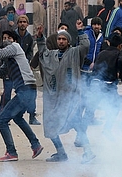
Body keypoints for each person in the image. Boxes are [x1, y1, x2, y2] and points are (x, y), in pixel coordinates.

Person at [36, 21, 95, 163]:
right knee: (50, 124)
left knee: (76, 123)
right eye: (59, 39)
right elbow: (42, 52)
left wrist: (81, 32)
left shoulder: (75, 53)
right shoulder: (52, 55)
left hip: (71, 96)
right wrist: (40, 38)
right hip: (53, 97)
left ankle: (88, 152)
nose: (61, 41)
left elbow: (86, 46)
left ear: (68, 41)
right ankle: (61, 153)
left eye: (64, 39)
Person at [0, 30, 44, 162]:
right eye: (4, 38)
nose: (6, 40)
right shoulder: (10, 58)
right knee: (18, 117)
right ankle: (35, 145)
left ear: (15, 40)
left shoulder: (15, 47)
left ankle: (11, 152)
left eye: (9, 38)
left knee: (1, 121)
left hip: (25, 90)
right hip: (28, 90)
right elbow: (3, 73)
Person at [89, 33, 122, 136]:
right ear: (120, 46)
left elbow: (96, 68)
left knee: (91, 108)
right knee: (115, 107)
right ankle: (107, 130)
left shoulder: (102, 53)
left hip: (95, 83)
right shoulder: (119, 55)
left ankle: (80, 135)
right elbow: (121, 63)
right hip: (108, 85)